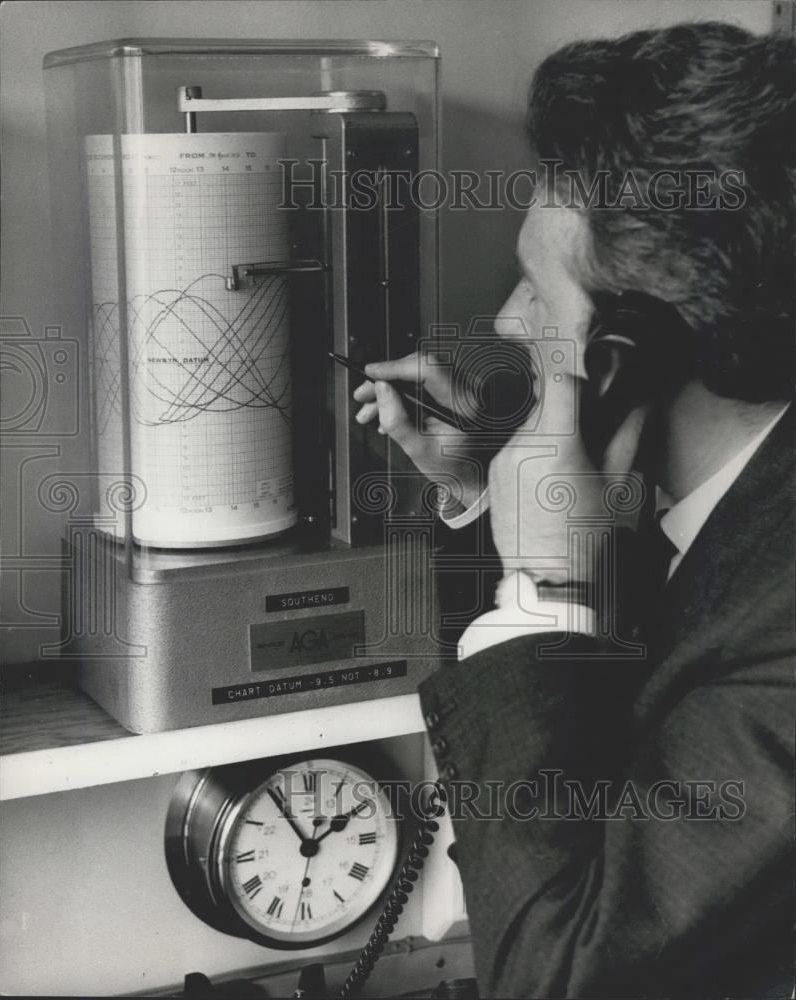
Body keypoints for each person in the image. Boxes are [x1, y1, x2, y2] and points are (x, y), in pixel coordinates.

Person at [352, 21, 794, 999]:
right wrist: (475, 485)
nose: (509, 321)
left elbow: (560, 975)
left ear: (624, 363)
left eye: (536, 289)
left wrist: (548, 587)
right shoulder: (711, 505)